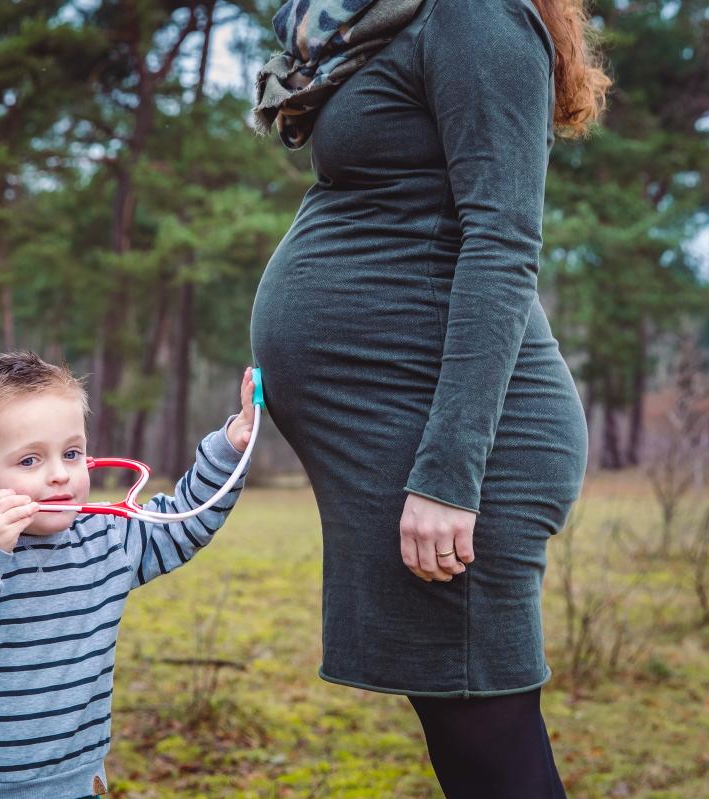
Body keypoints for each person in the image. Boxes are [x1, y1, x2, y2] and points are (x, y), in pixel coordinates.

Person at [250, 0, 610, 796]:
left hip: (462, 449)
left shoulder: (473, 16)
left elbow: (504, 242)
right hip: (398, 425)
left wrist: (449, 475)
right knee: (463, 736)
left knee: (490, 743)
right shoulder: (373, 27)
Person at [0, 351, 257, 798]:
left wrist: (230, 446)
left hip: (74, 785)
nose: (61, 474)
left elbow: (183, 522)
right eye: (29, 461)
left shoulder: (105, 541)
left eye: (72, 453)